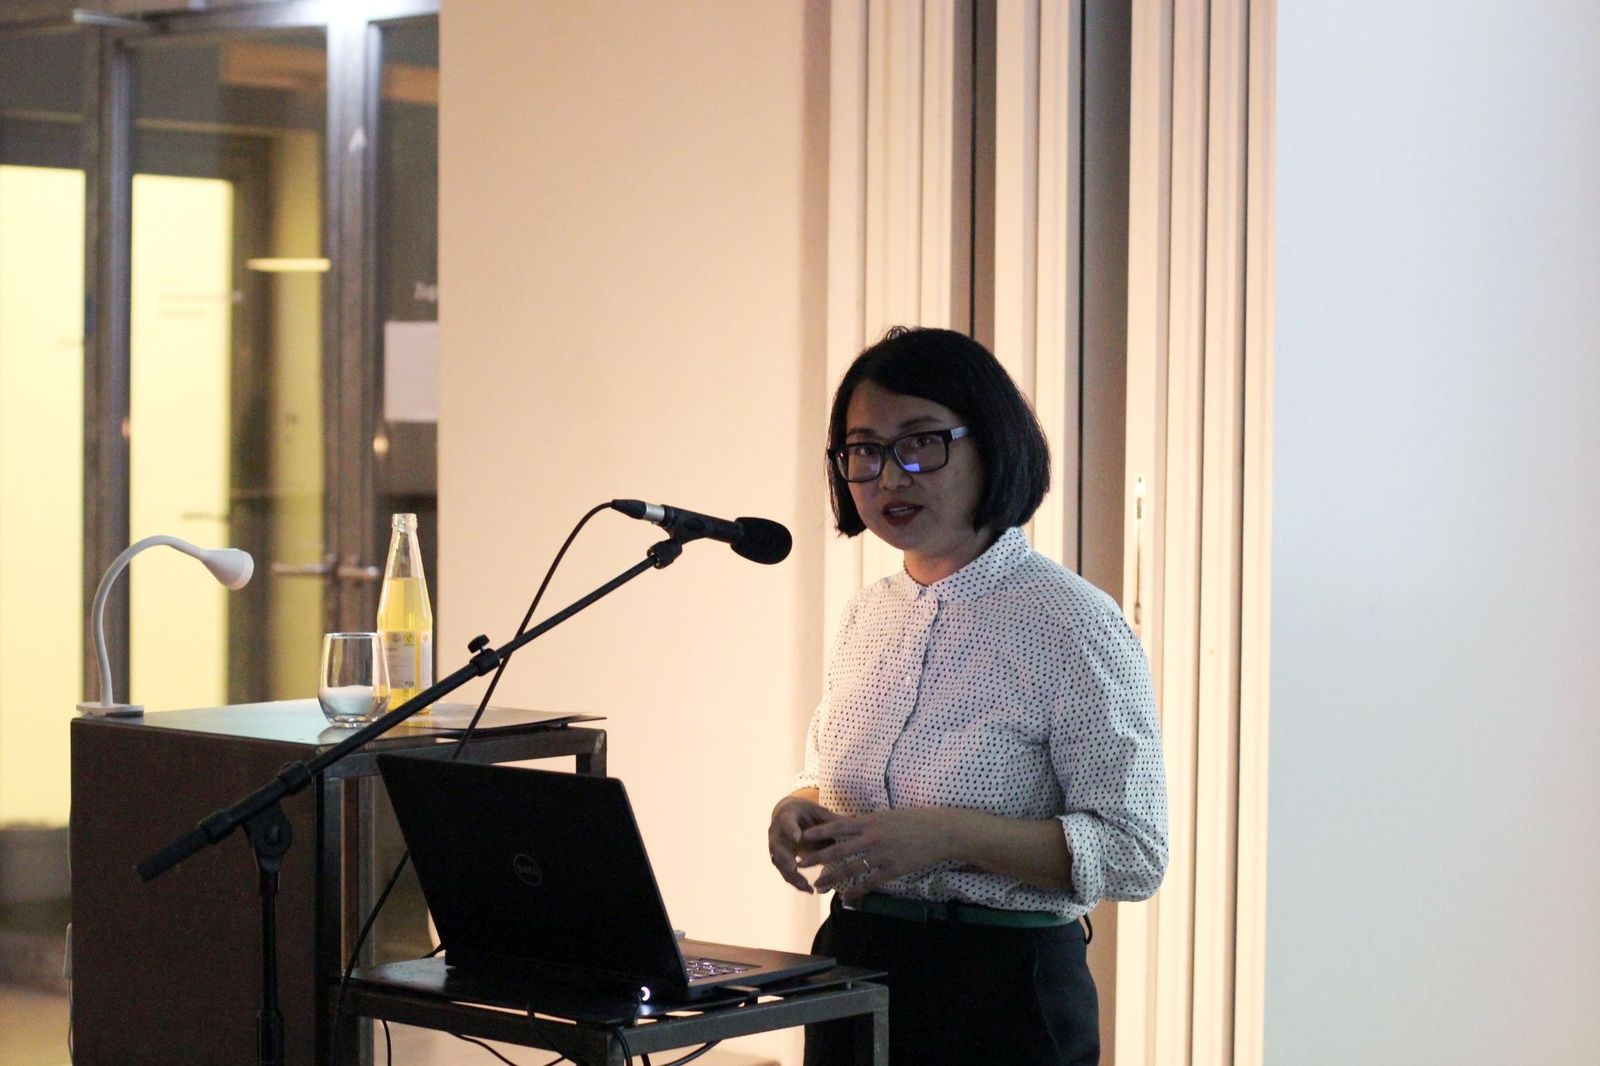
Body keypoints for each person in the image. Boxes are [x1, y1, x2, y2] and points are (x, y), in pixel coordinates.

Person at [768, 326, 1168, 1065]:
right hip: (854, 965)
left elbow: (1134, 852)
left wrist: (949, 835)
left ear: (993, 445)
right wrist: (799, 806)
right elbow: (830, 774)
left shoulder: (1071, 622)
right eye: (864, 450)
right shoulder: (868, 615)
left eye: (921, 443)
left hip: (1002, 988)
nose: (890, 477)